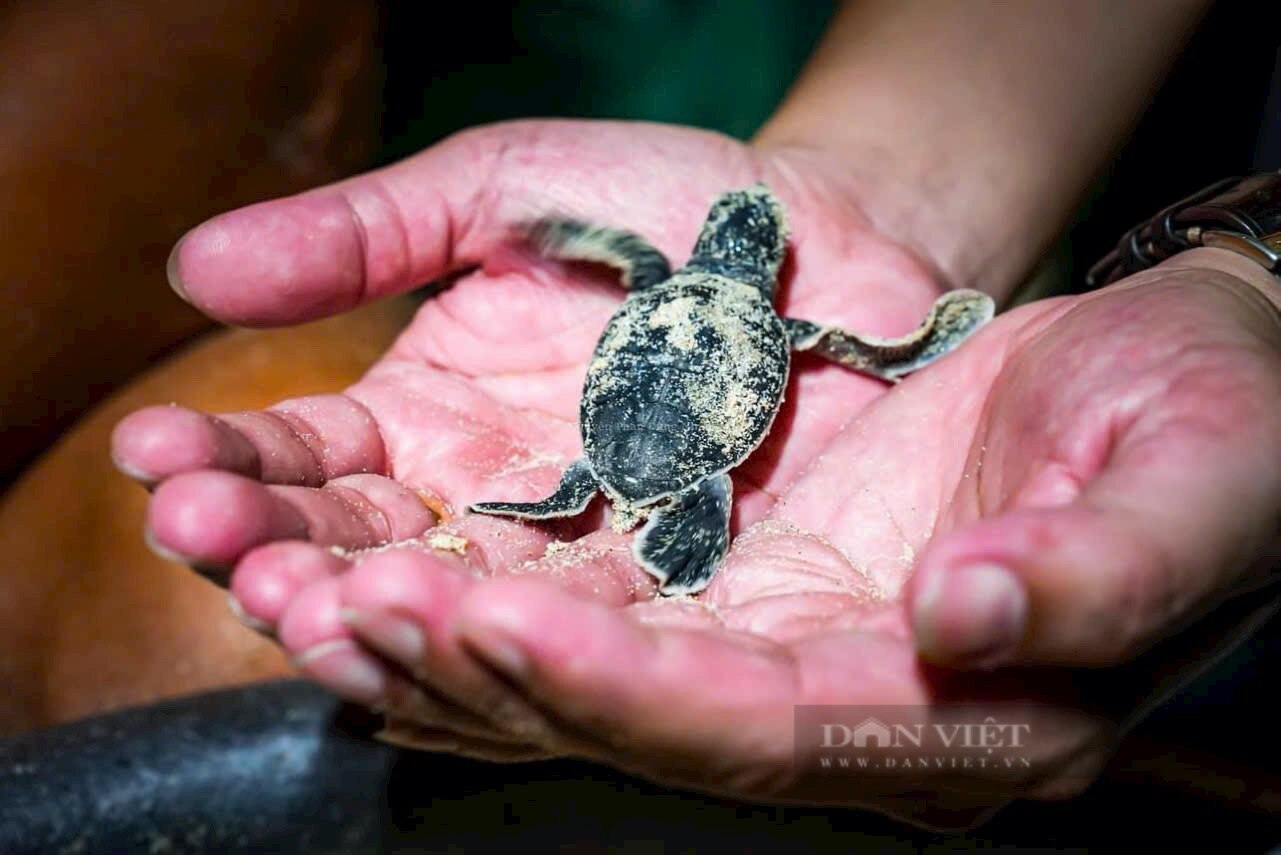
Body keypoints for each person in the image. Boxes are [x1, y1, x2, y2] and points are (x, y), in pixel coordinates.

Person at [107, 0, 1280, 828]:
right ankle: (640, 513)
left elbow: (629, 258)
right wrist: (929, 319)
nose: (755, 236)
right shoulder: (778, 322)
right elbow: (863, 349)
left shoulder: (662, 283)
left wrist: (1248, 279)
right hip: (710, 423)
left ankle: (592, 495)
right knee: (669, 500)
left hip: (631, 413)